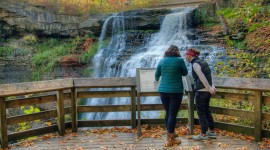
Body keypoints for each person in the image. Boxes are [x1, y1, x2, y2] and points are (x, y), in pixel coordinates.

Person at [155, 45, 188, 146]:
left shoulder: (162, 61)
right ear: (177, 52)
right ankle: (170, 140)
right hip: (175, 91)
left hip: (163, 91)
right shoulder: (180, 60)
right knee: (173, 114)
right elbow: (185, 73)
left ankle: (170, 133)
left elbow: (156, 76)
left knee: (168, 113)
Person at [185, 48, 217, 140]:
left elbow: (202, 78)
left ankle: (203, 134)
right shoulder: (203, 61)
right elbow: (210, 75)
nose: (186, 57)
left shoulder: (195, 64)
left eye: (186, 55)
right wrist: (212, 87)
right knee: (207, 111)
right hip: (207, 91)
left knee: (201, 112)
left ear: (190, 56)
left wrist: (210, 89)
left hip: (201, 91)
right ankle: (211, 132)